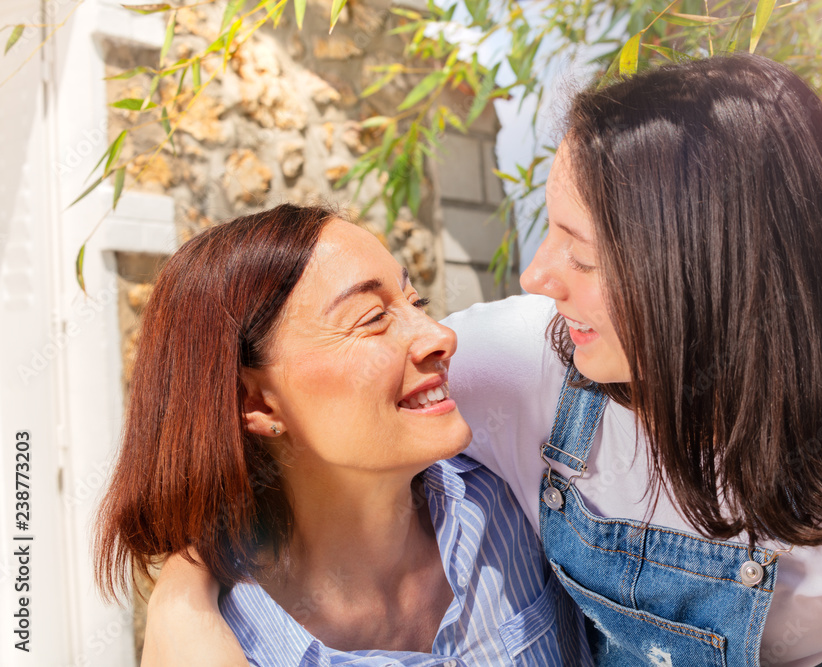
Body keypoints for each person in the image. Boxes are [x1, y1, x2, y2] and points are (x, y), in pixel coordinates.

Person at [140, 54, 822, 666]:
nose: (537, 275)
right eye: (547, 229)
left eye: (580, 254)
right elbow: (245, 436)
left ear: (699, 276)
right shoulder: (525, 365)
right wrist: (178, 604)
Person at [93, 204, 590, 666]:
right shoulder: (238, 646)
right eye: (373, 319)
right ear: (257, 403)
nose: (441, 335)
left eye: (418, 301)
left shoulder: (510, 489)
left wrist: (178, 592)